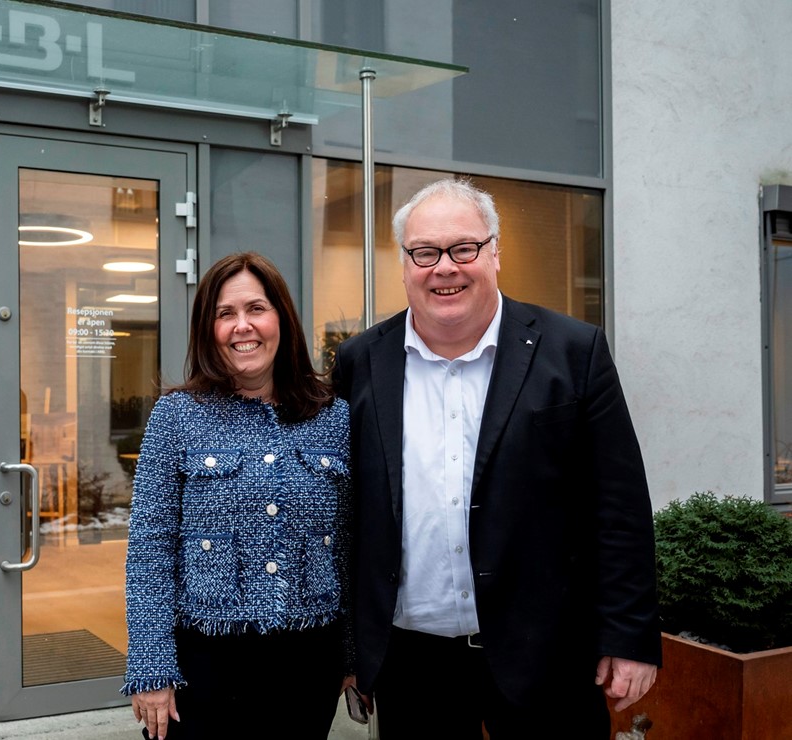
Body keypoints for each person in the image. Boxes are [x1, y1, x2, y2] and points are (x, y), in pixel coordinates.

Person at [333, 178, 661, 738]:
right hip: (413, 662)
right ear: (404, 263)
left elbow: (619, 507)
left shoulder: (573, 352)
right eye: (425, 252)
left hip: (547, 652)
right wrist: (349, 649)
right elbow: (344, 514)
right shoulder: (360, 362)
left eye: (464, 248)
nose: (445, 268)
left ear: (495, 252)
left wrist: (628, 638)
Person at [122, 252, 354, 740]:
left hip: (309, 661)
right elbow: (149, 550)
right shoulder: (176, 415)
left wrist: (352, 657)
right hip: (202, 666)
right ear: (207, 329)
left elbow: (352, 545)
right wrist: (151, 667)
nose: (241, 326)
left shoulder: (333, 417)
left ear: (282, 320)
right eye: (225, 314)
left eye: (256, 309)